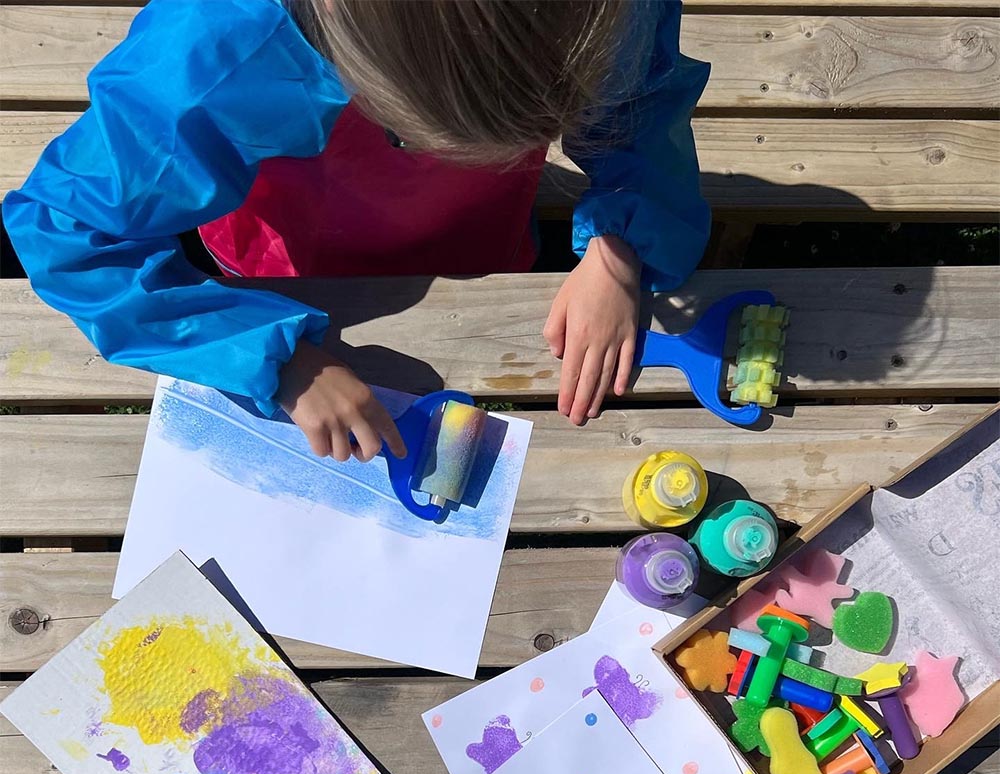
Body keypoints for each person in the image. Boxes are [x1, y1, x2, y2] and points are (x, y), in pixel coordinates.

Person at [3, 0, 710, 462]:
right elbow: (68, 231)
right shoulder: (218, 46)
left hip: (480, 237)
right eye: (416, 132)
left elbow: (641, 107)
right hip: (289, 256)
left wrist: (621, 247)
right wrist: (269, 357)